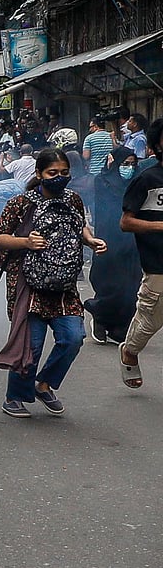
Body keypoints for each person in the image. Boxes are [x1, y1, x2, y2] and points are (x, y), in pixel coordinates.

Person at [0, 148, 106, 417]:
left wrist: (90, 240)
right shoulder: (21, 204)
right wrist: (26, 242)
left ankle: (43, 385)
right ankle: (15, 397)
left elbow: (81, 226)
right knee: (32, 343)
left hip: (64, 285)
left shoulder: (73, 200)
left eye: (64, 173)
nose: (59, 177)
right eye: (52, 173)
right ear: (39, 174)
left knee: (73, 337)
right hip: (30, 283)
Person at [116, 120, 163, 389]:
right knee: (149, 321)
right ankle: (130, 351)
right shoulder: (147, 179)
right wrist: (160, 226)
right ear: (157, 145)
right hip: (158, 264)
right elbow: (126, 222)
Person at [83, 147, 140, 345]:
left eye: (133, 164)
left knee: (131, 287)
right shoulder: (103, 180)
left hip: (132, 242)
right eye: (125, 164)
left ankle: (120, 328)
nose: (129, 168)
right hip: (109, 239)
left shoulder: (137, 182)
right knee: (110, 284)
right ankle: (99, 316)